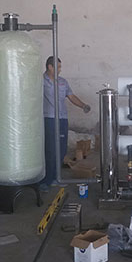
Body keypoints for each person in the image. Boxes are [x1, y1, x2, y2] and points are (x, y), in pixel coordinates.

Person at [40, 56, 91, 191]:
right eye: (58, 67)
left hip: (62, 118)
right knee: (50, 150)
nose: (60, 70)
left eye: (60, 67)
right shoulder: (40, 81)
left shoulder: (63, 82)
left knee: (61, 150)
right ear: (50, 67)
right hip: (49, 119)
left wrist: (83, 105)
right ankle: (45, 181)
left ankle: (56, 178)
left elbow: (71, 96)